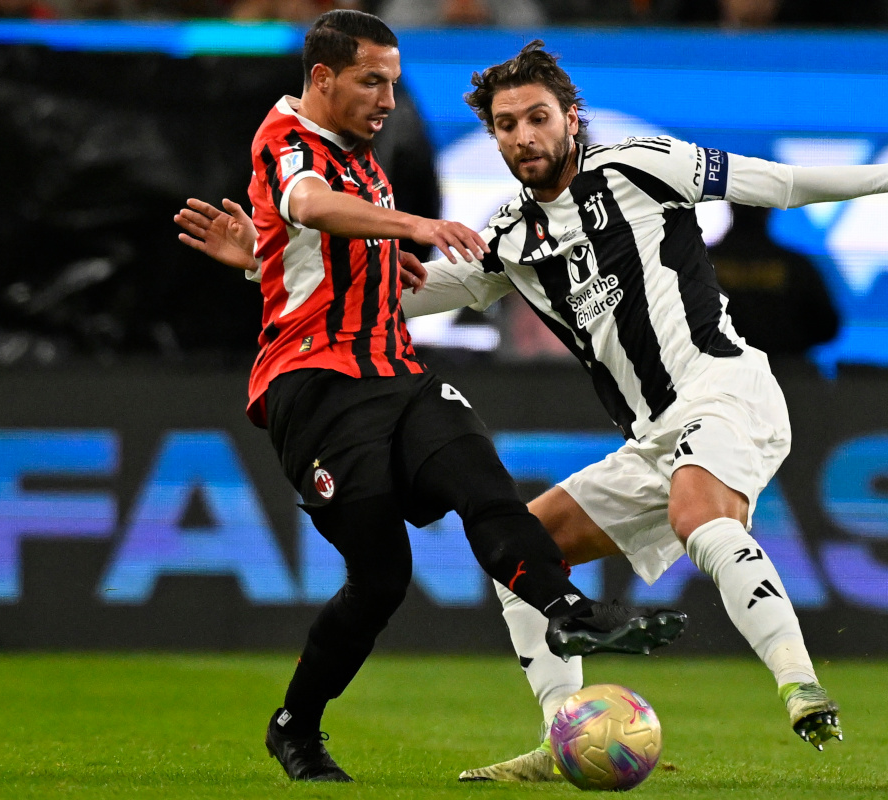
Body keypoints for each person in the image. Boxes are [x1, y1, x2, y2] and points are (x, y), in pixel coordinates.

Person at [184, 39, 888, 782]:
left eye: (537, 118)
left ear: (571, 119)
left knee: (700, 514)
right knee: (524, 557)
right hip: (651, 436)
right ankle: (564, 735)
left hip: (725, 390)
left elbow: (782, 184)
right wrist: (264, 270)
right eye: (506, 126)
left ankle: (802, 689)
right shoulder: (511, 238)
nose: (522, 138)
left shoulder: (643, 166)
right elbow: (396, 296)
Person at [174, 14, 687, 783]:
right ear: (322, 80)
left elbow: (311, 249)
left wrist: (346, 265)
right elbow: (309, 206)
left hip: (395, 371)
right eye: (370, 80)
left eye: (393, 79)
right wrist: (411, 227)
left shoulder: (362, 158)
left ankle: (570, 614)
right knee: (380, 579)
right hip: (315, 389)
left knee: (482, 479)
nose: (387, 97)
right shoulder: (288, 137)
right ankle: (295, 727)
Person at [709, 205, 840, 358]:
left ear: (730, 203)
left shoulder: (697, 263)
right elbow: (827, 327)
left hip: (712, 376)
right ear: (770, 207)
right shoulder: (795, 267)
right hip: (784, 378)